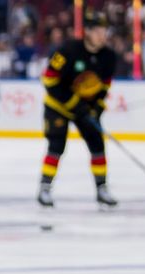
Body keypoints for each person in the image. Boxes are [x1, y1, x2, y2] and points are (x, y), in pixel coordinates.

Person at [37, 12, 117, 208]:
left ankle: (102, 188)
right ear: (88, 32)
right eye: (98, 31)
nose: (102, 35)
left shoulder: (108, 56)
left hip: (84, 109)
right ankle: (45, 188)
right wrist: (74, 104)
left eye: (104, 31)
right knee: (56, 145)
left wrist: (97, 108)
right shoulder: (68, 50)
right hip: (58, 106)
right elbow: (49, 80)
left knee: (97, 144)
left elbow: (104, 86)